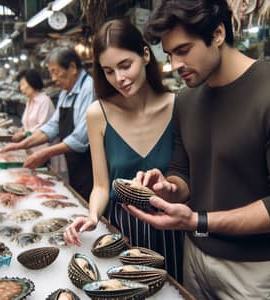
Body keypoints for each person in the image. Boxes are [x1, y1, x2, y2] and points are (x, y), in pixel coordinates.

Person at [123, 1, 270, 299]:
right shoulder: (187, 100)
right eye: (169, 54)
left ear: (217, 34)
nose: (175, 65)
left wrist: (197, 220)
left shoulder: (266, 90)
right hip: (194, 257)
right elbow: (183, 173)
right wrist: (166, 188)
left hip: (254, 270)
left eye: (183, 50)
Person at [63, 19, 183, 281]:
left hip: (173, 228)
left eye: (125, 65)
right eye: (108, 71)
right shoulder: (98, 113)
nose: (119, 79)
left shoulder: (179, 106)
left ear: (146, 54)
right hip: (121, 231)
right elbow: (102, 186)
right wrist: (93, 216)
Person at [0, 47, 94, 200]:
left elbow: (80, 138)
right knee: (78, 196)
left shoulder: (89, 89)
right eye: (51, 73)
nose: (53, 79)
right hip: (75, 163)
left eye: (55, 72)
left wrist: (44, 153)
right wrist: (22, 145)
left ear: (73, 68)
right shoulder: (66, 91)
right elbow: (52, 126)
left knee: (90, 202)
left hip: (93, 164)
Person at [12, 69, 54, 146]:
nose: (21, 88)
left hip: (43, 148)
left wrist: (23, 134)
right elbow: (29, 126)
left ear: (33, 82)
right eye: (20, 85)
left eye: (23, 84)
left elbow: (42, 127)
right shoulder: (29, 101)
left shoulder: (44, 101)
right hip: (30, 145)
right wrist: (20, 130)